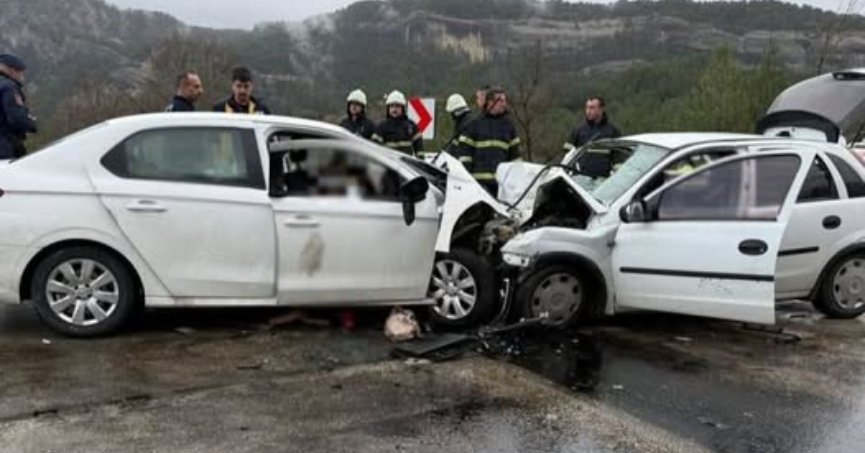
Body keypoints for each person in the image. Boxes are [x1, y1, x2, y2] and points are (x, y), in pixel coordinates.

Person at [455, 87, 520, 195]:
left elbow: (515, 157)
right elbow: (464, 153)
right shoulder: (475, 123)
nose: (504, 104)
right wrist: (467, 178)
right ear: (490, 102)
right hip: (478, 185)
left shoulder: (509, 126)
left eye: (505, 101)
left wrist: (515, 181)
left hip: (501, 186)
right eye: (501, 101)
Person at [0, 54, 37, 160]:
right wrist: (31, 123)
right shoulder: (8, 87)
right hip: (5, 147)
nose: (21, 76)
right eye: (20, 72)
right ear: (12, 70)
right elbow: (16, 117)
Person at [372, 90, 422, 156]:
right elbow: (374, 149)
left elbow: (419, 150)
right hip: (388, 163)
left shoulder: (411, 126)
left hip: (406, 164)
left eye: (397, 106)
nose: (394, 109)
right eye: (392, 106)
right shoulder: (382, 127)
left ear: (402, 108)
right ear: (388, 109)